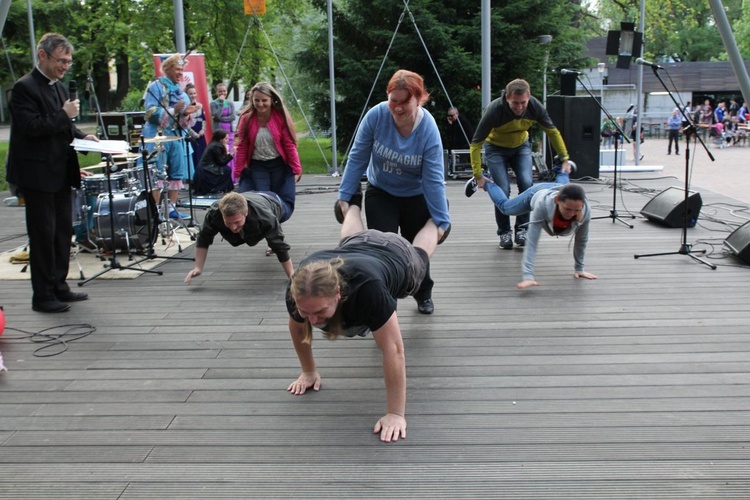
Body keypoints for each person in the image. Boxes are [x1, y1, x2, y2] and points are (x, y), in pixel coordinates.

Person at [285, 199, 449, 443]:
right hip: (356, 246)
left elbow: (393, 350)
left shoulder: (368, 290)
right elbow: (298, 329)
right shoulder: (299, 289)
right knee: (349, 239)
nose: (313, 319)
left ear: (338, 293)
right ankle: (349, 205)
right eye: (306, 312)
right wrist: (308, 372)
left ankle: (439, 219)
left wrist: (395, 413)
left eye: (319, 311)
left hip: (398, 255)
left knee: (422, 253)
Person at [335, 69, 450, 315]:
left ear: (418, 99)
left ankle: (423, 293)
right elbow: (358, 157)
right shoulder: (376, 116)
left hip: (416, 195)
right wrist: (345, 197)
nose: (397, 107)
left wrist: (441, 219)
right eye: (392, 100)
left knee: (416, 251)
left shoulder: (428, 129)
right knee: (382, 248)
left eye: (403, 102)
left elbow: (433, 178)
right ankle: (385, 304)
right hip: (382, 191)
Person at [6, 32, 99, 313]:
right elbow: (33, 127)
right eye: (61, 60)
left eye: (69, 61)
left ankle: (60, 285)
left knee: (61, 233)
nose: (65, 66)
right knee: (43, 235)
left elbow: (64, 126)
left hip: (60, 172)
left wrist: (84, 137)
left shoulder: (58, 86)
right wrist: (65, 115)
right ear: (42, 56)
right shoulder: (23, 88)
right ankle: (42, 295)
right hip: (36, 176)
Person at [468, 78, 572, 250]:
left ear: (529, 97)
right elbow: (476, 144)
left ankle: (522, 229)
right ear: (507, 97)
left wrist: (565, 157)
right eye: (515, 103)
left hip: (521, 146)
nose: (519, 107)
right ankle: (504, 232)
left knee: (526, 183)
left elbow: (552, 131)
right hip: (496, 148)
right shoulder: (495, 110)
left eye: (523, 102)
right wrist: (477, 174)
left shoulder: (534, 106)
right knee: (503, 189)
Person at [466, 166, 595, 289]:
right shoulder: (543, 205)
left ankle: (561, 169)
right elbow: (532, 241)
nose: (571, 214)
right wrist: (528, 275)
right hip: (537, 192)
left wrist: (579, 269)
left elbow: (581, 240)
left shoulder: (584, 210)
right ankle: (486, 180)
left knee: (566, 186)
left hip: (560, 189)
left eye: (576, 210)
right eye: (567, 209)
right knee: (505, 207)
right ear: (557, 201)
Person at [184, 191, 294, 284]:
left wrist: (292, 276)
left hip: (274, 202)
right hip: (249, 196)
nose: (233, 227)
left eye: (237, 222)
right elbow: (204, 238)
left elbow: (280, 246)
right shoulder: (214, 213)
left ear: (246, 213)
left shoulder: (265, 217)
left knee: (285, 212)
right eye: (228, 222)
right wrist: (198, 268)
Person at [234, 82, 302, 216]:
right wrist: (237, 172)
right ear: (252, 100)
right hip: (258, 164)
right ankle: (266, 227)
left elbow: (289, 144)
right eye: (256, 100)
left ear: (272, 100)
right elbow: (242, 146)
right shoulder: (246, 118)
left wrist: (297, 169)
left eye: (264, 100)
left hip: (278, 164)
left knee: (276, 201)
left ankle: (274, 229)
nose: (260, 104)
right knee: (262, 200)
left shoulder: (279, 117)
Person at [142, 54, 197, 219]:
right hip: (157, 137)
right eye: (177, 69)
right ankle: (156, 210)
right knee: (157, 174)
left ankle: (171, 208)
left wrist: (187, 114)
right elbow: (150, 112)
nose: (180, 73)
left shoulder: (182, 93)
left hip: (176, 138)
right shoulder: (155, 87)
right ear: (167, 69)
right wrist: (174, 110)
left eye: (182, 69)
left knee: (177, 172)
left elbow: (185, 124)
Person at [194, 129, 234, 195]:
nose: (227, 140)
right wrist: (231, 154)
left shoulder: (214, 144)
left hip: (205, 168)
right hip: (206, 169)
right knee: (227, 169)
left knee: (226, 169)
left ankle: (227, 188)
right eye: (226, 138)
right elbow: (222, 162)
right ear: (221, 139)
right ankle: (220, 188)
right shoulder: (217, 146)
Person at [210, 83, 236, 175]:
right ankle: (221, 174)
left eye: (224, 91)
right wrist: (221, 104)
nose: (222, 93)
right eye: (220, 91)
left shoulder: (230, 103)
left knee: (230, 152)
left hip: (230, 132)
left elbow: (233, 117)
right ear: (216, 92)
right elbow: (216, 116)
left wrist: (222, 119)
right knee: (221, 153)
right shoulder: (213, 104)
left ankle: (232, 175)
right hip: (219, 133)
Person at [185, 83, 207, 177]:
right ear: (186, 95)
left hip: (200, 135)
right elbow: (185, 124)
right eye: (190, 94)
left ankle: (202, 177)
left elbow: (204, 119)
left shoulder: (200, 105)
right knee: (193, 157)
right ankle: (193, 178)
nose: (193, 95)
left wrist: (203, 130)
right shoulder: (186, 107)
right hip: (191, 136)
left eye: (194, 93)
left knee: (202, 156)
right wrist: (194, 134)